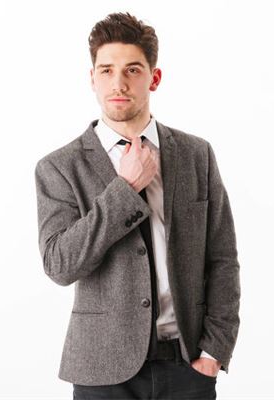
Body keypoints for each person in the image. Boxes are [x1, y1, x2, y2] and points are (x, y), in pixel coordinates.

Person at [34, 12, 241, 400]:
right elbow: (60, 265)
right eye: (106, 70)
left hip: (187, 367)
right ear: (92, 79)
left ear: (154, 78)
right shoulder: (59, 168)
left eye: (132, 69)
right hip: (102, 373)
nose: (118, 83)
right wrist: (125, 189)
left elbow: (222, 259)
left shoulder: (196, 155)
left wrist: (215, 350)